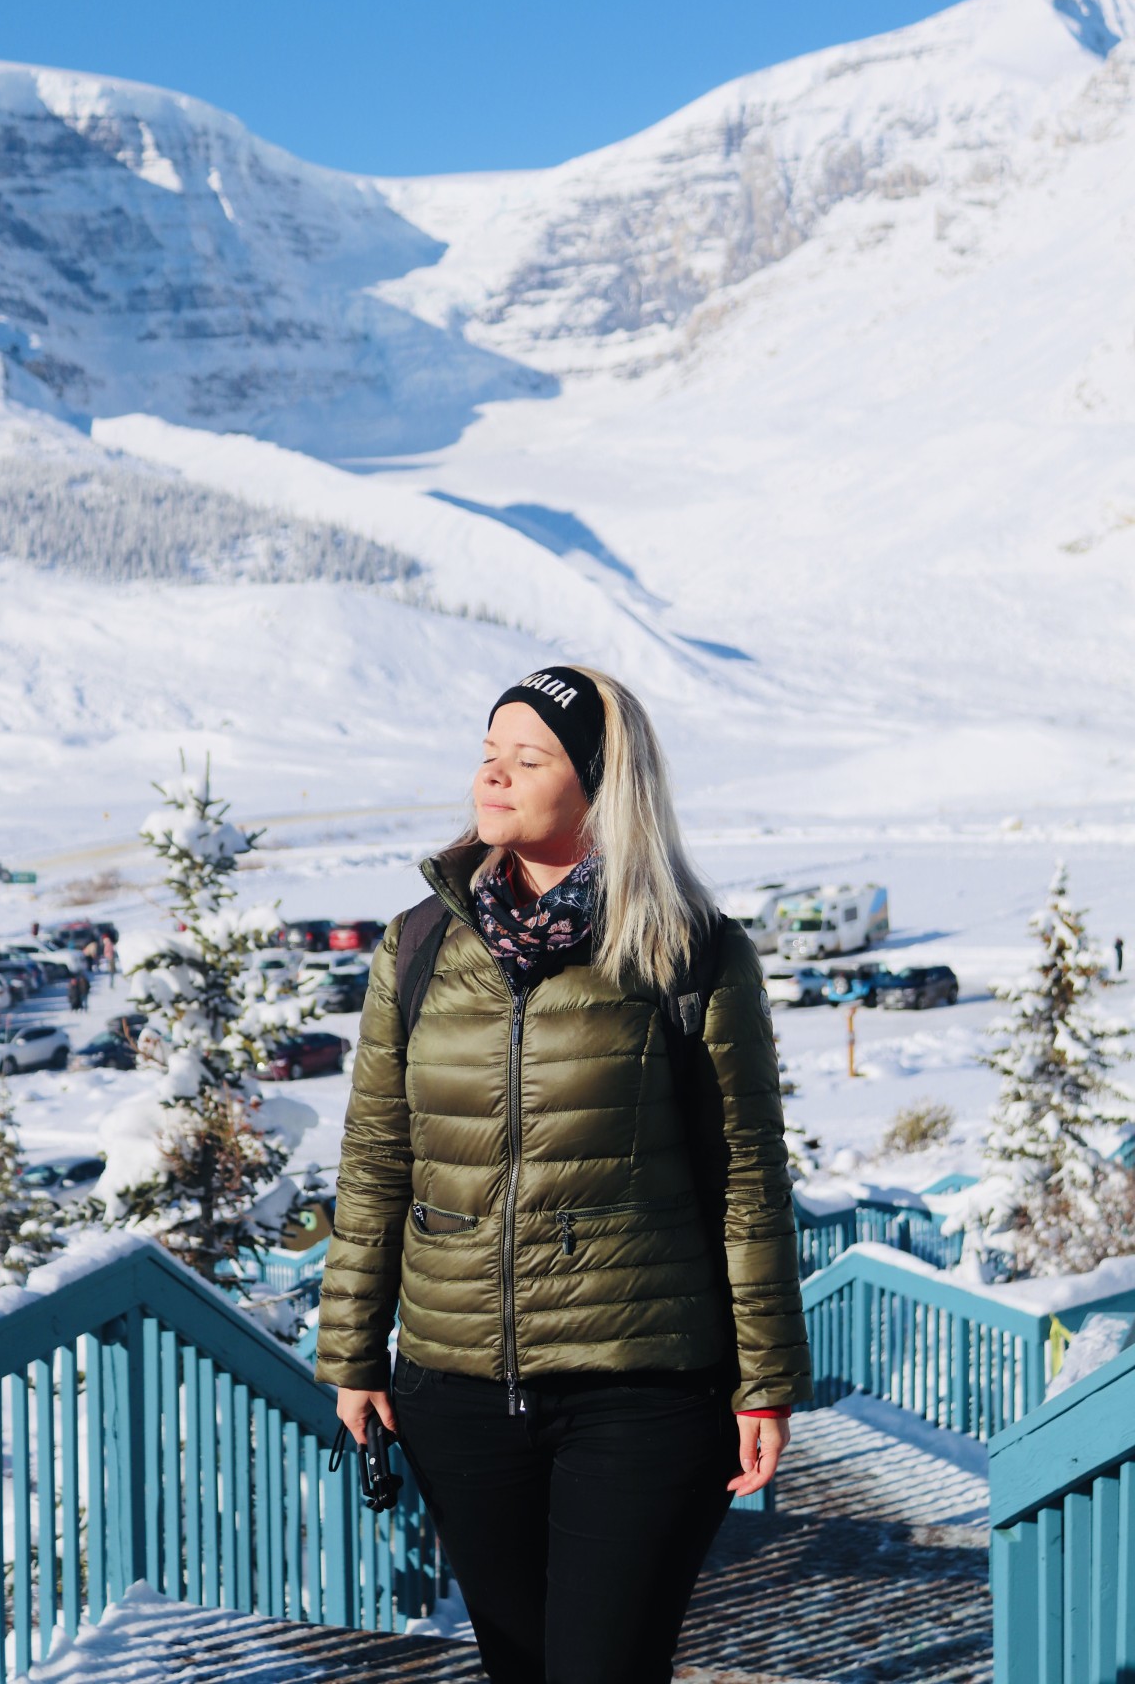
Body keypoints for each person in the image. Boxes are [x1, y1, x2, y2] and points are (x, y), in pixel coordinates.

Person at [318, 666, 811, 1684]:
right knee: (520, 1666)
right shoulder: (418, 945)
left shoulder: (689, 949)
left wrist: (764, 1381)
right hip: (455, 1387)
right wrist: (353, 1353)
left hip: (640, 1389)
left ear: (600, 785)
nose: (492, 776)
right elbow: (376, 1160)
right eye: (488, 752)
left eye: (527, 756)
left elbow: (747, 1176)